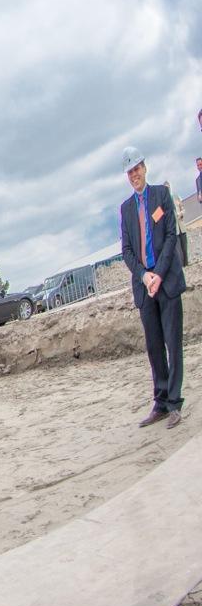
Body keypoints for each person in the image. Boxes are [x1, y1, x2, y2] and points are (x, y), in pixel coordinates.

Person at [119, 147, 186, 429]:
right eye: (130, 171)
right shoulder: (125, 209)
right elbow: (126, 250)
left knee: (173, 343)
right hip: (145, 288)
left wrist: (158, 274)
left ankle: (174, 403)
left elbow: (171, 236)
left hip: (167, 282)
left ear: (145, 168)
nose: (135, 174)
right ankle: (159, 402)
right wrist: (144, 276)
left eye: (137, 168)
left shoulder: (161, 196)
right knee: (155, 347)